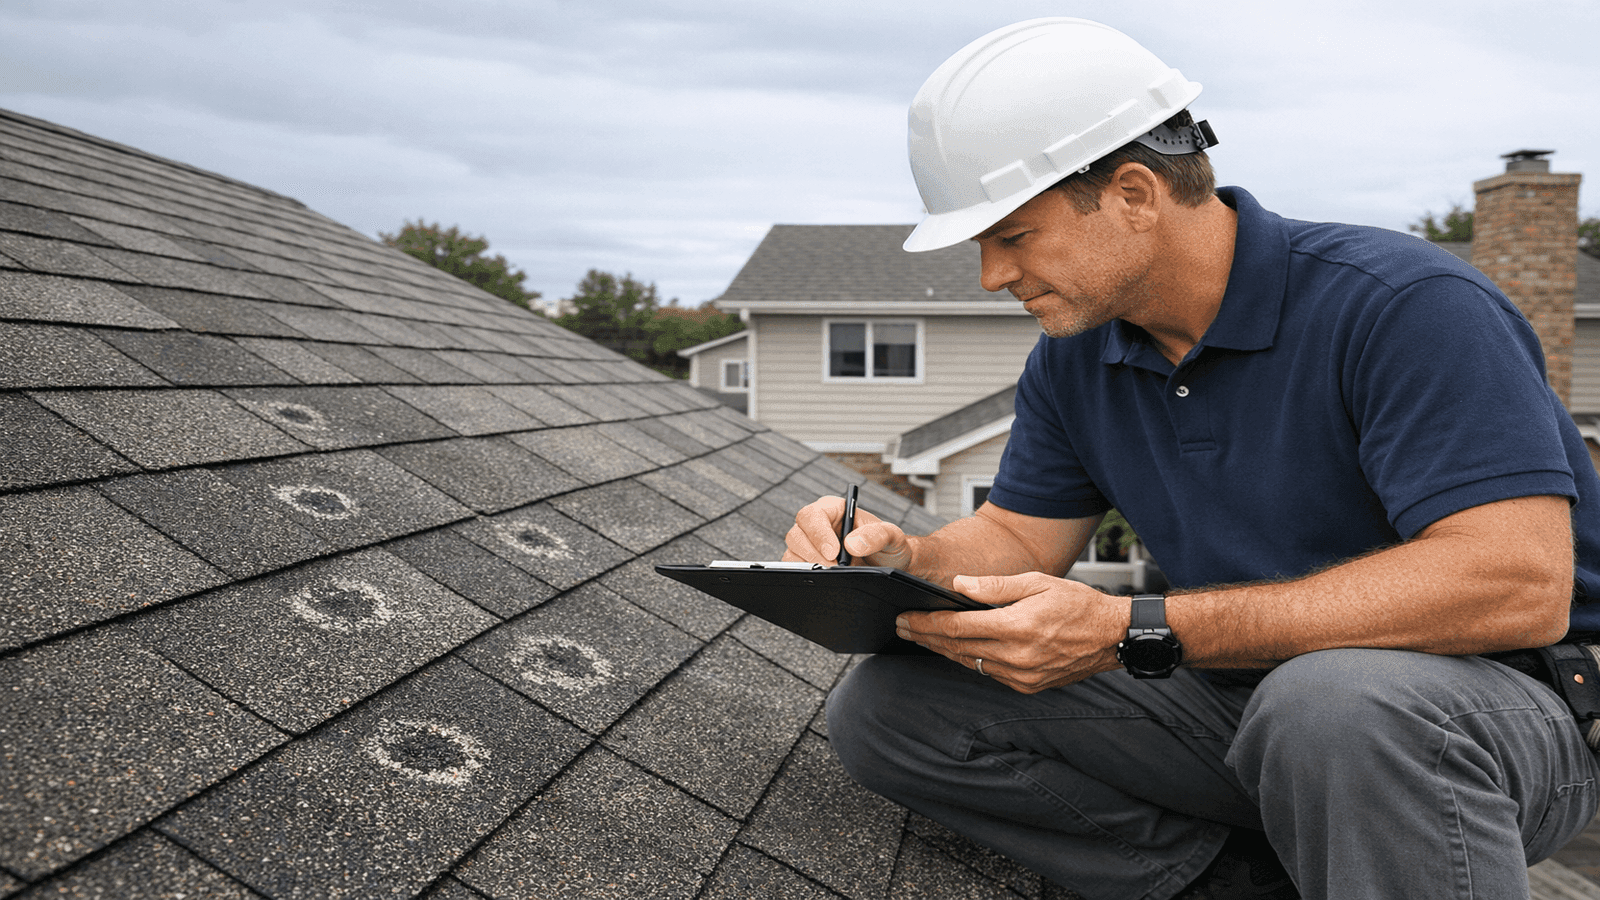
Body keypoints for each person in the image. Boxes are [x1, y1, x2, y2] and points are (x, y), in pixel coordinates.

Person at [783, 18, 1600, 900]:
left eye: (1012, 236)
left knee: (1333, 705)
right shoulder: (1078, 356)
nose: (990, 275)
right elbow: (1018, 536)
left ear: (1134, 193)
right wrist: (906, 557)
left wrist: (1140, 629)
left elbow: (1515, 582)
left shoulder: (1405, 307)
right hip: (1243, 705)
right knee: (894, 709)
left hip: (1491, 718)